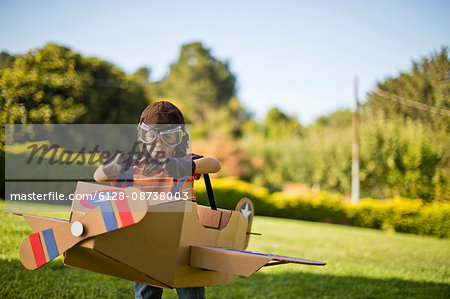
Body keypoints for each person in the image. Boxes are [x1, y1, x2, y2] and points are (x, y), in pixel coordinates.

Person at [93, 101, 221, 299]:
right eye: (151, 137)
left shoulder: (185, 162)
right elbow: (98, 176)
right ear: (142, 137)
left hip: (184, 245)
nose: (158, 145)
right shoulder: (134, 166)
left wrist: (186, 166)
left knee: (191, 293)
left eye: (168, 138)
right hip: (147, 243)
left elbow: (214, 164)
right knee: (146, 293)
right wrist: (116, 163)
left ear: (178, 140)